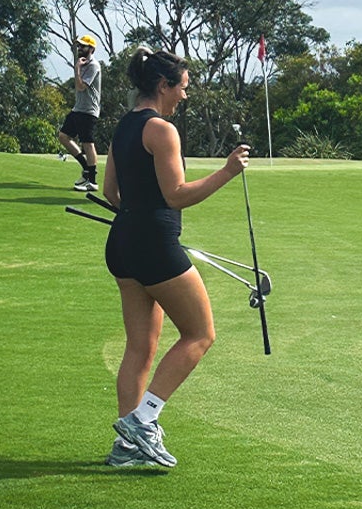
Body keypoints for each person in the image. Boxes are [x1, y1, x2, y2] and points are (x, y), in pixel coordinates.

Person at [100, 48, 248, 468]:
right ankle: (143, 422)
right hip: (154, 246)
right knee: (200, 334)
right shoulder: (161, 131)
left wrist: (140, 212)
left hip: (123, 242)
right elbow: (177, 195)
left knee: (140, 348)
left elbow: (112, 193)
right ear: (163, 85)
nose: (185, 95)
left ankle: (127, 448)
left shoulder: (124, 127)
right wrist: (227, 172)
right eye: (182, 87)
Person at [59, 35, 102, 191]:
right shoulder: (83, 64)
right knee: (63, 136)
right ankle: (86, 168)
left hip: (89, 110)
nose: (79, 49)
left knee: (87, 143)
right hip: (78, 108)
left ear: (91, 49)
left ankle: (92, 181)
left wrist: (77, 68)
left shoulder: (93, 65)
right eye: (78, 46)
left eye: (83, 46)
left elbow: (81, 86)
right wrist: (78, 67)